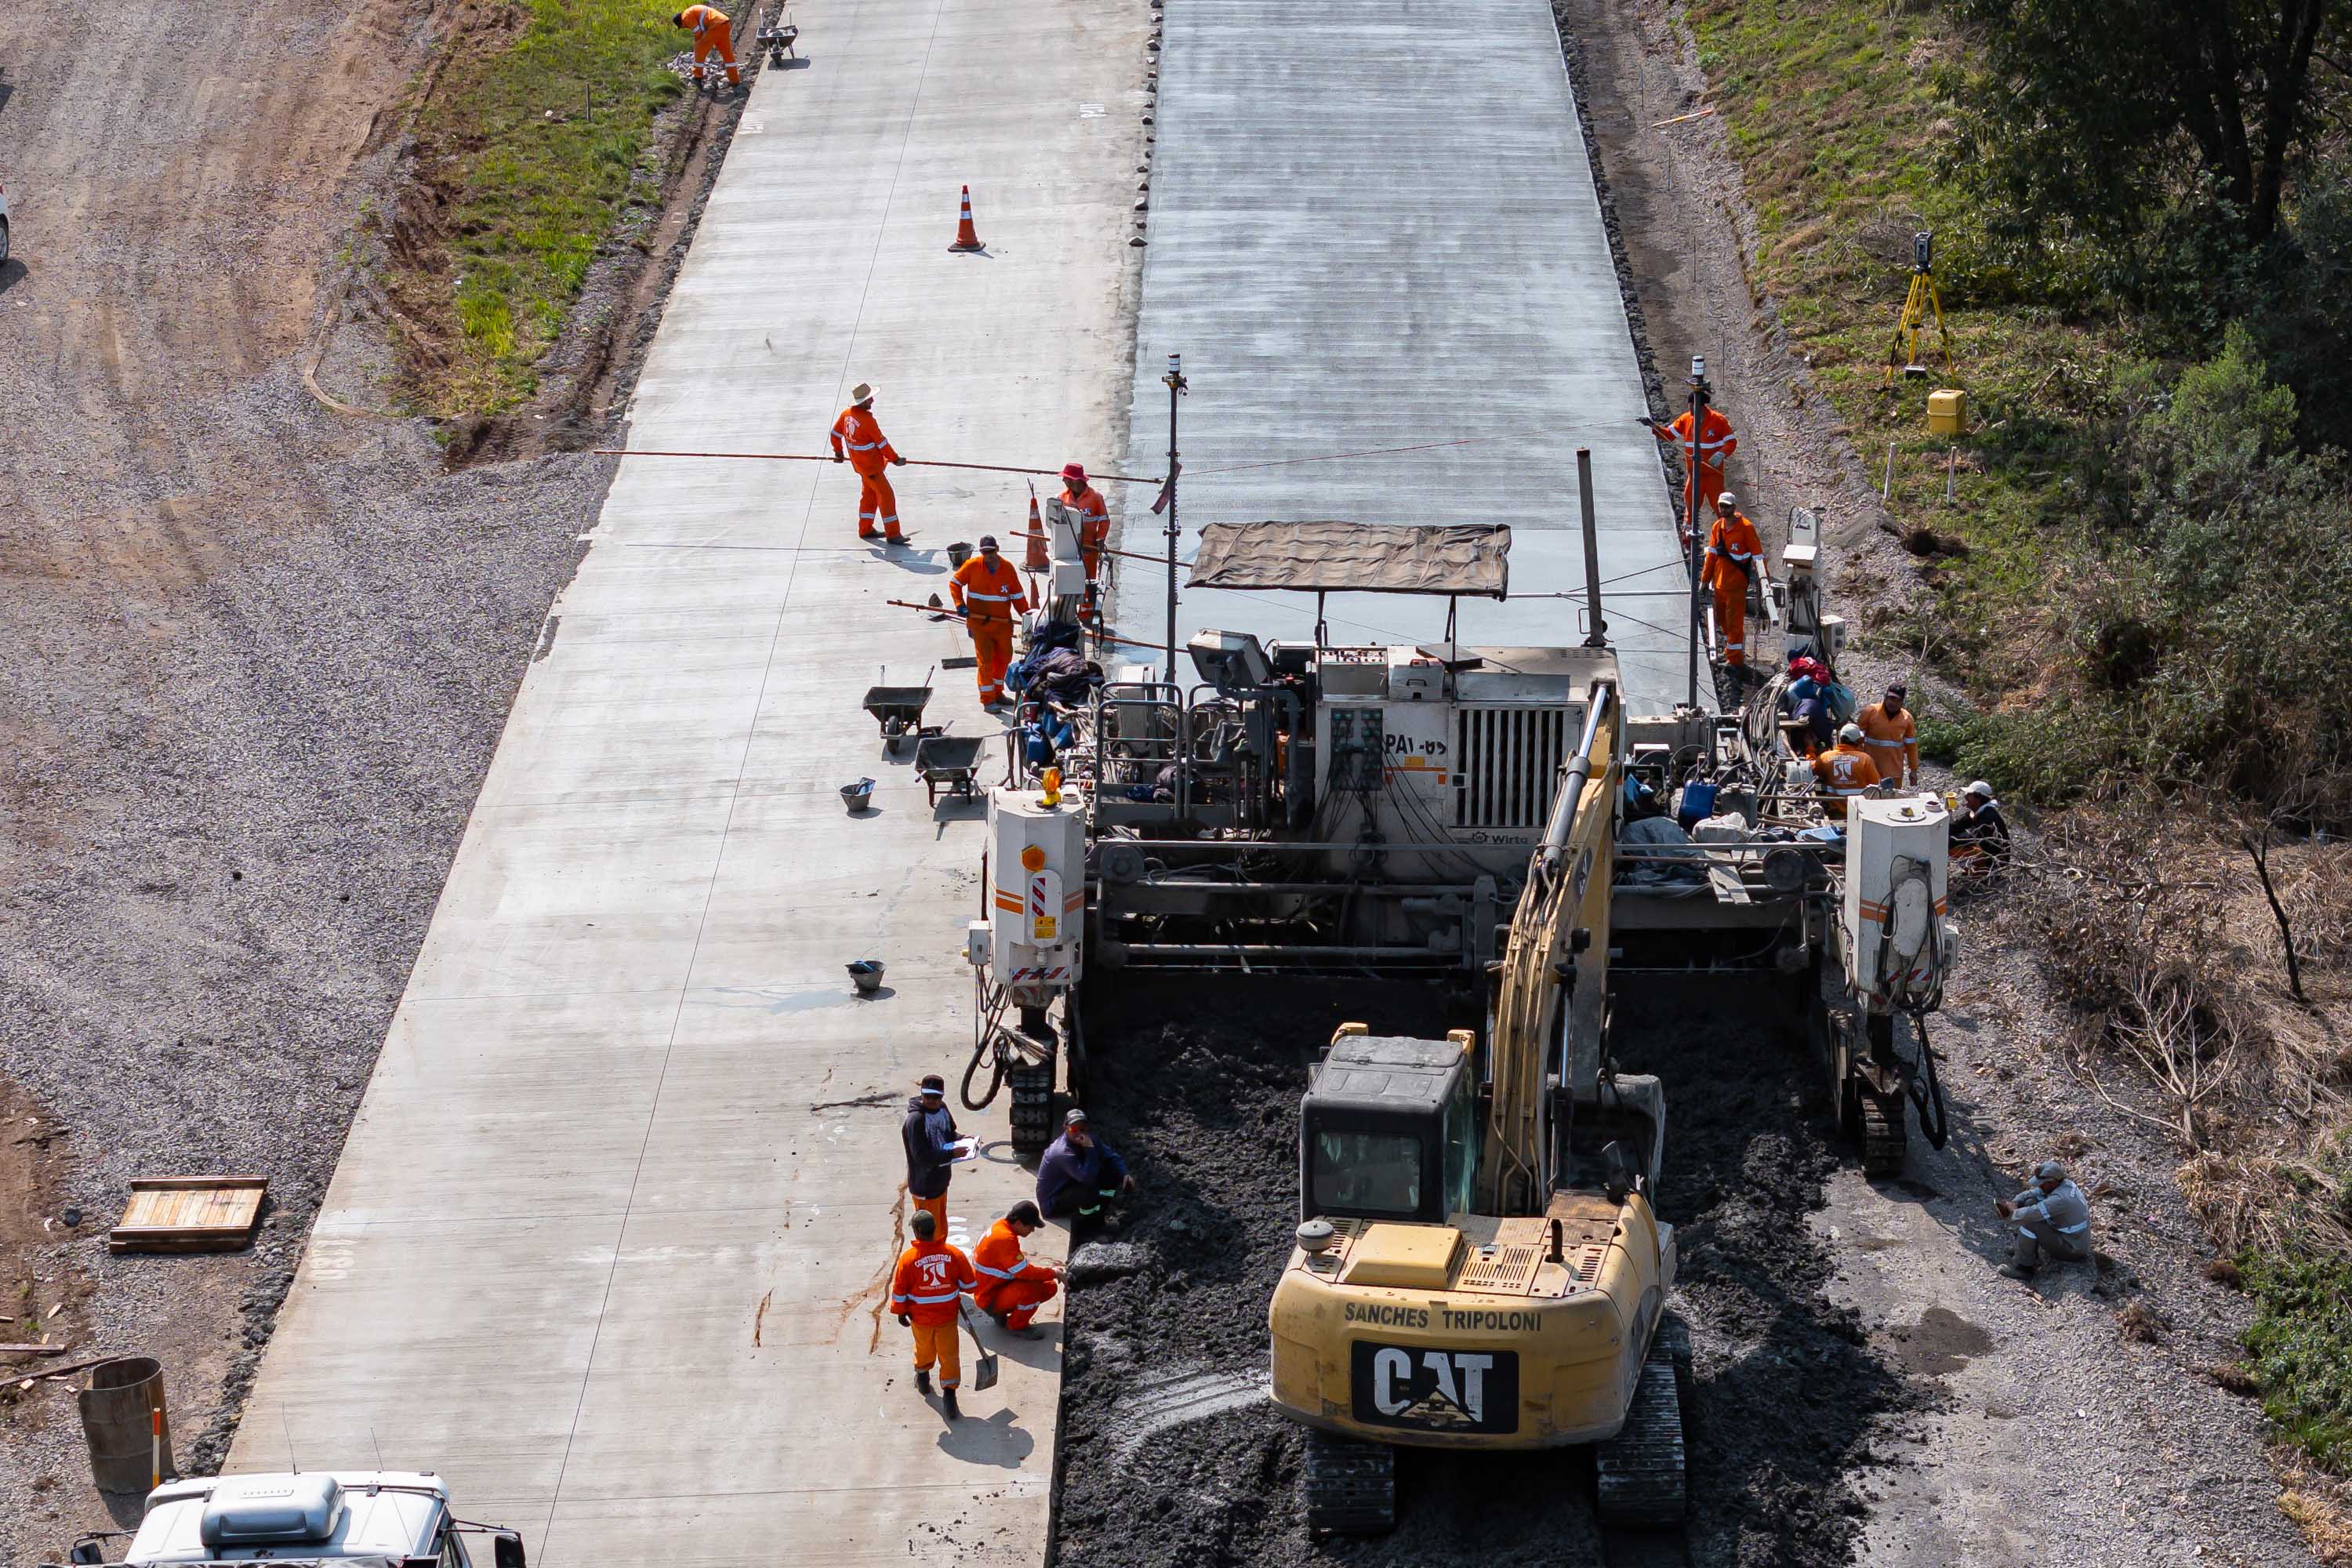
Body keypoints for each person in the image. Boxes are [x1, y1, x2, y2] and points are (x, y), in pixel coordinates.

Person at [890, 1208, 978, 1417]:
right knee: (949, 1354)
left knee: (924, 1347)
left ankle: (923, 1378)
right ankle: (950, 1394)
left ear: (916, 1231)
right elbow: (970, 1285)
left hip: (920, 1318)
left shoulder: (908, 1260)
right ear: (934, 1229)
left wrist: (901, 1312)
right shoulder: (953, 1254)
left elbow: (900, 1292)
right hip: (947, 1317)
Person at [949, 536, 1033, 707]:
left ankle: (997, 692)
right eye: (985, 552)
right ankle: (987, 699)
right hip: (979, 625)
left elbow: (1017, 596)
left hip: (1002, 624)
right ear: (981, 552)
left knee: (1004, 657)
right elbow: (955, 583)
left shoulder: (1007, 568)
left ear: (997, 549)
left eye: (992, 551)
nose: (989, 555)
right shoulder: (972, 566)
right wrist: (960, 605)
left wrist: (1029, 617)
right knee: (986, 660)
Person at [1642, 401, 1737, 542]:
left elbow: (1731, 442)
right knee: (1690, 510)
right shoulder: (1686, 419)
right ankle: (1688, 543)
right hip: (1694, 476)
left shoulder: (1718, 420)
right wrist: (1653, 426)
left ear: (1701, 406)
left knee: (1722, 508)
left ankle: (1729, 541)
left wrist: (1721, 453)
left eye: (1693, 406)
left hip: (1713, 476)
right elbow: (1668, 435)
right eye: (1689, 406)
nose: (1690, 409)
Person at [828, 382, 908, 543]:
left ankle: (865, 529)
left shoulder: (846, 414)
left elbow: (835, 434)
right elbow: (882, 443)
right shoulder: (867, 420)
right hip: (872, 469)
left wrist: (838, 452)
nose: (872, 401)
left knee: (869, 497)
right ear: (863, 402)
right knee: (887, 496)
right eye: (870, 399)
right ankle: (893, 534)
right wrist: (895, 459)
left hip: (860, 467)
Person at [973, 1200, 1060, 1338]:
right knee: (1032, 1290)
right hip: (989, 1297)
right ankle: (1017, 1326)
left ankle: (1000, 1313)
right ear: (1019, 1223)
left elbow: (1018, 1268)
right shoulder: (1005, 1239)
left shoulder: (1001, 1227)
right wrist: (1053, 1273)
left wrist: (1050, 1275)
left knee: (1049, 1287)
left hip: (993, 1288)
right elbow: (1024, 1272)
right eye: (1031, 1226)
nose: (1032, 1230)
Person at [1701, 492, 1767, 670]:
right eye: (1721, 506)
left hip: (1736, 586)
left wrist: (1764, 583)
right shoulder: (1717, 527)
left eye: (1727, 506)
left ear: (1734, 507)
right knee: (1722, 621)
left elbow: (1758, 556)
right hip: (1720, 584)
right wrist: (1704, 580)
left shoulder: (1746, 528)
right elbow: (1711, 556)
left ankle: (1735, 660)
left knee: (1734, 623)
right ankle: (1730, 650)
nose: (1723, 509)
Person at [1036, 1109, 1134, 1226]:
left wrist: (1125, 1174)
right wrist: (1089, 1149)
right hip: (1052, 1202)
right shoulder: (1062, 1152)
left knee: (1111, 1171)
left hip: (1070, 1183)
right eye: (1074, 1129)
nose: (1079, 1133)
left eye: (1082, 1129)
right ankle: (1090, 1225)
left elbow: (1110, 1155)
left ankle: (1099, 1213)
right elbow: (1088, 1178)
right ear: (1065, 1127)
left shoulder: (1089, 1139)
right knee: (1089, 1188)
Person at [1996, 1160, 2091, 1279]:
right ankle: (2026, 1251)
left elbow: (2033, 1213)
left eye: (2042, 1184)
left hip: (2072, 1248)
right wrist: (2015, 1202)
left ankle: (2023, 1268)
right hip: (2070, 1238)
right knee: (2029, 1202)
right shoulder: (2064, 1184)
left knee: (2030, 1222)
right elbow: (2032, 1193)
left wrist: (2010, 1215)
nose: (2039, 1186)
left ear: (2052, 1182)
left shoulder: (2061, 1199)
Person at [902, 1074, 962, 1237]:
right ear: (921, 1094)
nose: (932, 1101)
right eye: (928, 1096)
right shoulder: (916, 1120)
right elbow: (921, 1156)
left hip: (940, 1184)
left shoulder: (943, 1109)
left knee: (941, 1233)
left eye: (936, 1097)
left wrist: (963, 1140)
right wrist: (951, 1154)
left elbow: (949, 1134)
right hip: (925, 1188)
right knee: (930, 1236)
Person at [1057, 463, 1111, 591]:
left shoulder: (1095, 497)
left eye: (1066, 478)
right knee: (1068, 584)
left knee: (1088, 583)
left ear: (1076, 480)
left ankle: (1087, 603)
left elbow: (1104, 520)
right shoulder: (1061, 498)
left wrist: (1100, 538)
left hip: (1089, 550)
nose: (1063, 480)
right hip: (1068, 550)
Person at [1857, 682, 1921, 787]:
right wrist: (1857, 763)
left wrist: (1913, 770)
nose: (1893, 703)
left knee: (1892, 797)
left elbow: (1912, 747)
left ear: (1902, 702)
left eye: (1897, 700)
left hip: (1894, 773)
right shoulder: (1870, 712)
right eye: (1891, 699)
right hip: (1870, 768)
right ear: (1886, 697)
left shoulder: (1907, 719)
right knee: (1870, 796)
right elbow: (1856, 740)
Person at [1811, 723, 1881, 818]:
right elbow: (1876, 786)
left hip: (1835, 813)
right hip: (1859, 812)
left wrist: (1810, 749)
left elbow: (1810, 773)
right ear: (1858, 741)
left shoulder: (1824, 757)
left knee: (1818, 786)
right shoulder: (1865, 759)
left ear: (1841, 738)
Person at [673, 6, 741, 88]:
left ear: (680, 22)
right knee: (727, 54)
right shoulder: (691, 11)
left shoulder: (686, 17)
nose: (685, 27)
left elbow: (698, 33)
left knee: (699, 49)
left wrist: (697, 43)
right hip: (725, 23)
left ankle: (697, 77)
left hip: (715, 26)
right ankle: (734, 80)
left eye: (682, 26)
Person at [1953, 780, 2011, 867]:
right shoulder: (1979, 811)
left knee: (1952, 846)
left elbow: (1969, 838)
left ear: (1978, 798)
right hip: (1986, 851)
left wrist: (1946, 839)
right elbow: (1958, 825)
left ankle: (1979, 871)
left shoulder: (1988, 818)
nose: (1965, 796)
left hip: (1996, 861)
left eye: (1969, 794)